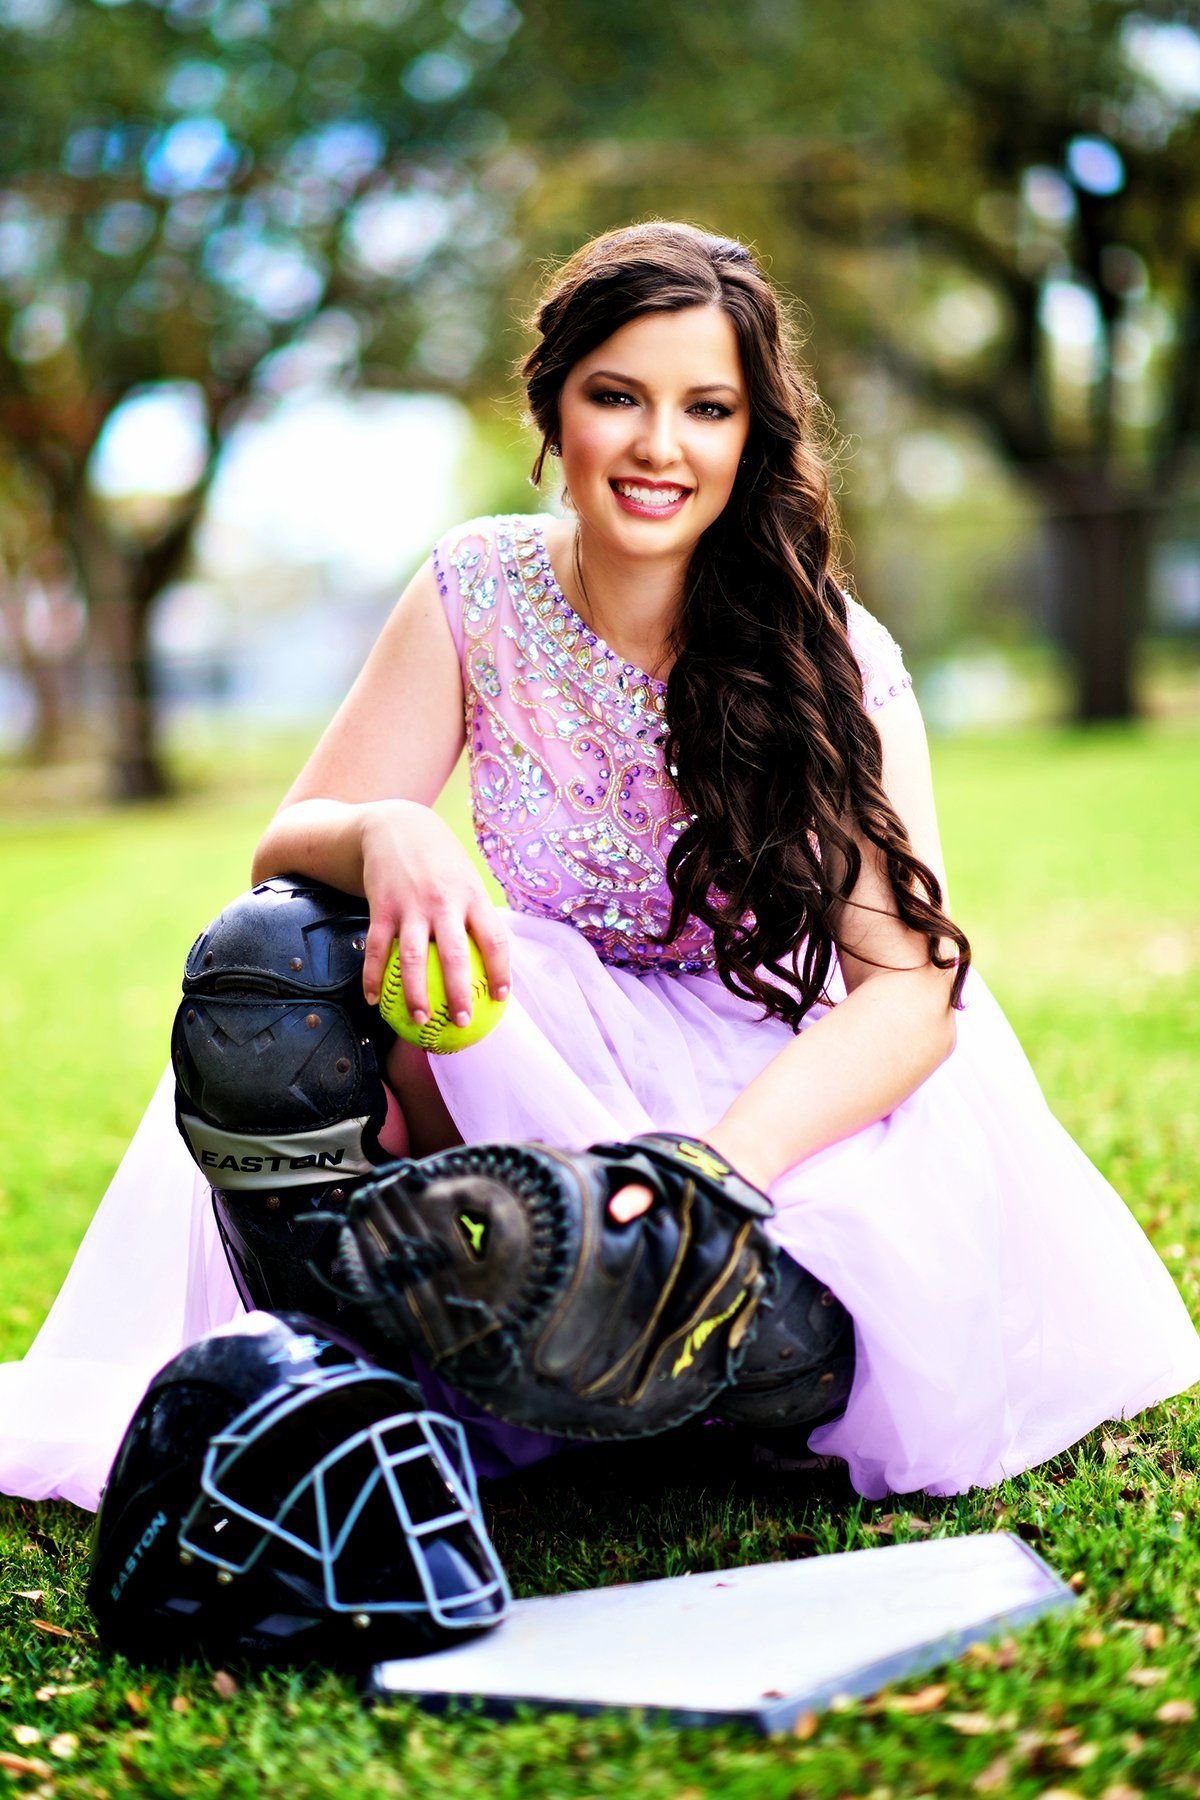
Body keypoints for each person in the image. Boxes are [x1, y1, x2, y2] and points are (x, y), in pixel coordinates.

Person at [2, 219, 1197, 1513]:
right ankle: (412, 1373)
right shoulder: (479, 590)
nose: (658, 447)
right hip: (548, 1044)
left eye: (707, 408)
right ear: (553, 407)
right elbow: (283, 855)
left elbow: (910, 989)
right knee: (293, 954)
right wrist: (387, 829)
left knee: (760, 1303)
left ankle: (679, 1393)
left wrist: (713, 1170)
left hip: (787, 1088)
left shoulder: (826, 651)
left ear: (753, 438)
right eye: (616, 397)